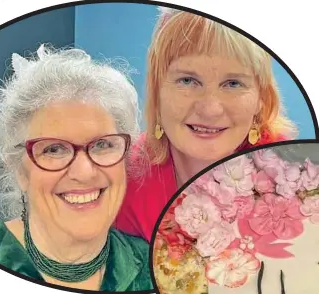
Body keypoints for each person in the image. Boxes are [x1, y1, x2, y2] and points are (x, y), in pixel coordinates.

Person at [0, 45, 153, 292]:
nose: (84, 172)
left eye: (103, 144)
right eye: (53, 149)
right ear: (19, 169)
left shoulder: (157, 266)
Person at [114, 7, 298, 242]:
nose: (210, 109)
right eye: (188, 80)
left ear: (262, 100)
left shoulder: (294, 178)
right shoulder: (123, 178)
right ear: (157, 92)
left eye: (232, 83)